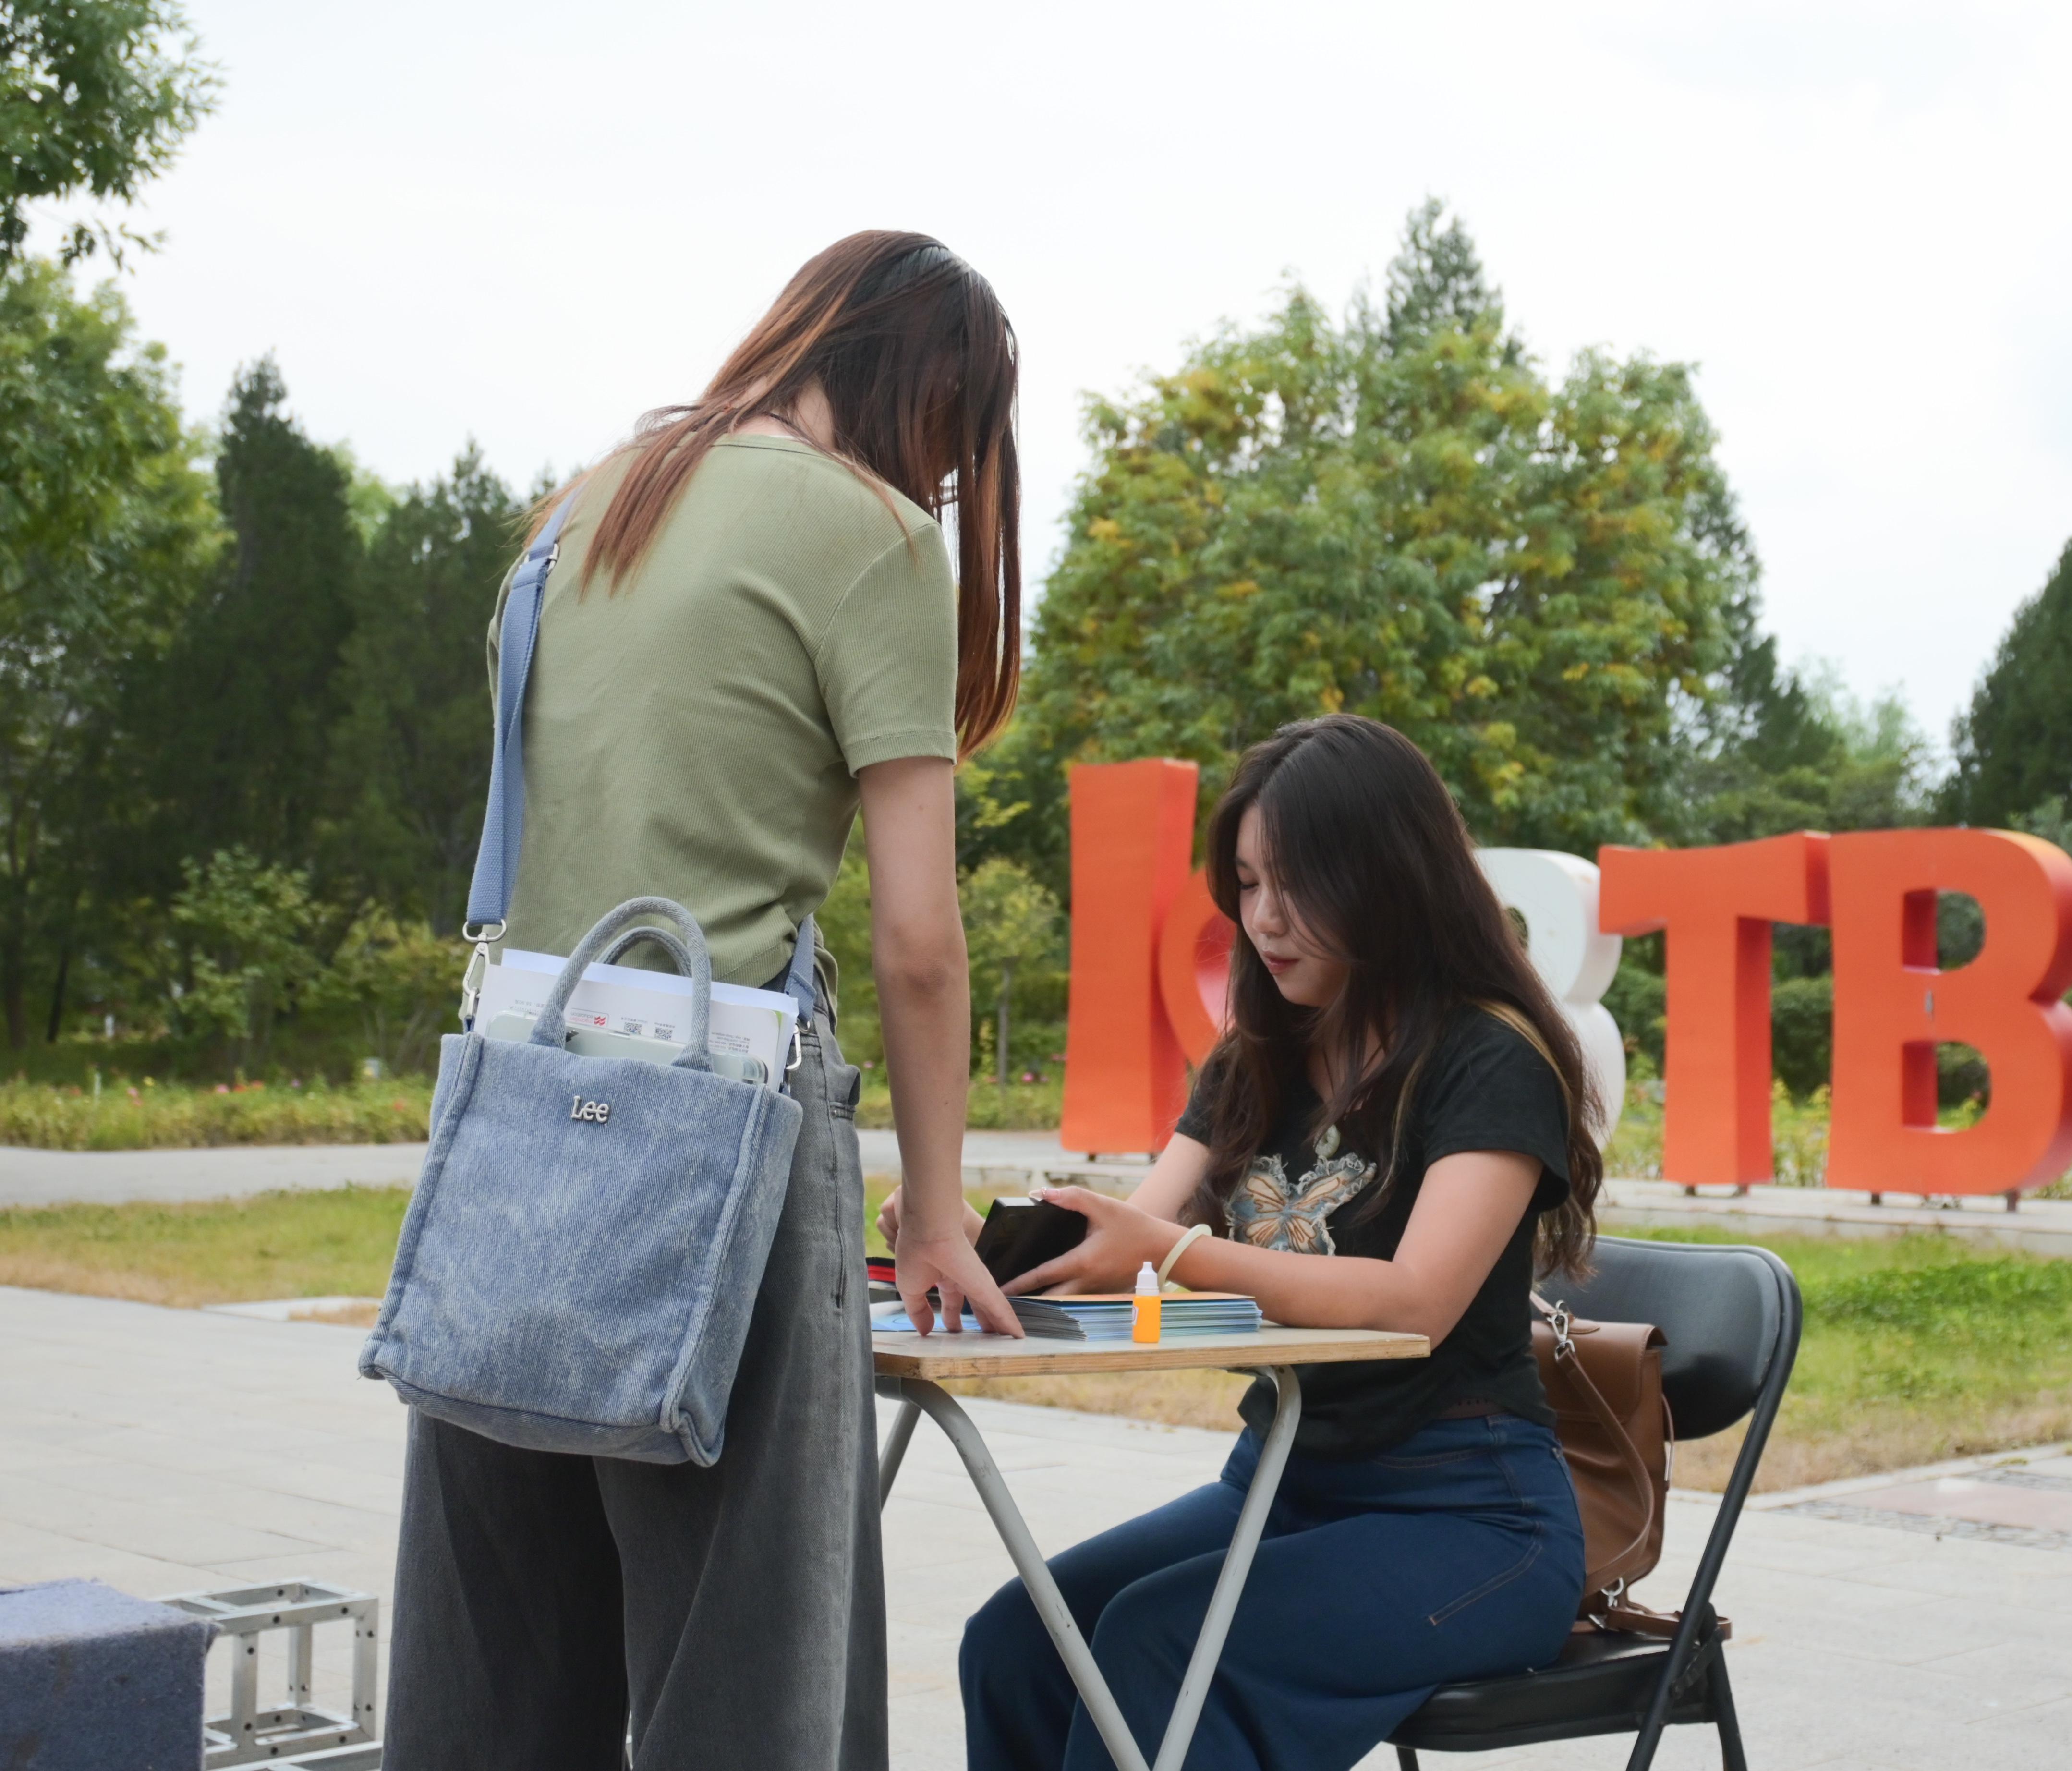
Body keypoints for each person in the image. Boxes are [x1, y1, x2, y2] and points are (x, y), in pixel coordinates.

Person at [386, 231, 1027, 1771]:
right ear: (934, 395)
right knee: (747, 1665)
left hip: (515, 1103)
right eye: (957, 451)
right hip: (724, 1110)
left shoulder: (592, 502)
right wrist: (936, 1214)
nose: (946, 486)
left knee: (491, 1654)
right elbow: (919, 938)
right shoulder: (873, 536)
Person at [947, 713, 1600, 1771]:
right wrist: (976, 1243)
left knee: (1158, 1646)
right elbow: (1133, 1234)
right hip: (1280, 1486)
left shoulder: (1490, 1057)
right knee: (1019, 1641)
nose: (1264, 918)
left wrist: (1168, 1252)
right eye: (1248, 885)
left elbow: (1417, 1300)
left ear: (1387, 875)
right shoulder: (1260, 1054)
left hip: (1472, 1519)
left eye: (1297, 884)